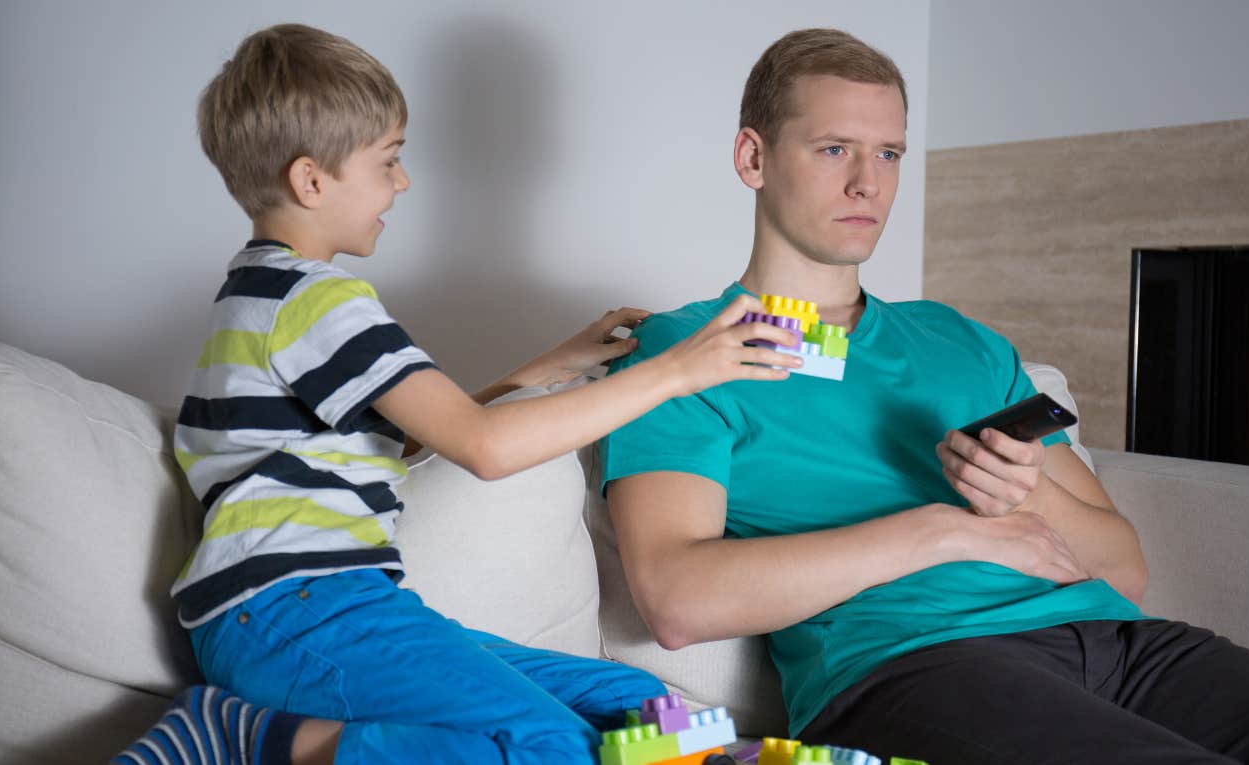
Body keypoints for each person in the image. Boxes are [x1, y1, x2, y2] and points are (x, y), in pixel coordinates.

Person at [600, 28, 1249, 765]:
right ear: (753, 156)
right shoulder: (690, 347)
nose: (869, 181)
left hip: (1126, 646)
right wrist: (938, 529)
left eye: (888, 152)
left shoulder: (957, 339)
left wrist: (1022, 498)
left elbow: (1124, 568)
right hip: (913, 665)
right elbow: (676, 597)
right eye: (834, 149)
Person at [115, 23, 804, 765]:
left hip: (326, 607)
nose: (402, 183)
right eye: (389, 161)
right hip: (296, 612)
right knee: (552, 745)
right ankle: (250, 741)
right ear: (311, 181)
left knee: (643, 708)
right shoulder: (319, 303)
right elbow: (483, 447)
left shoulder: (262, 296)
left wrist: (548, 366)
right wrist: (683, 369)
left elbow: (420, 434)